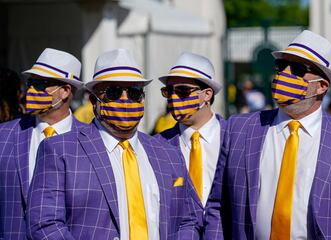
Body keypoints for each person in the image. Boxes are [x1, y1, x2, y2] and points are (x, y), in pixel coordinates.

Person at [27, 49, 200, 239]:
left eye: (134, 93)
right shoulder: (60, 150)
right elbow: (45, 224)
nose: (125, 100)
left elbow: (189, 219)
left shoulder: (168, 153)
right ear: (94, 100)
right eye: (114, 92)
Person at [213, 30, 331, 239]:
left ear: (322, 86)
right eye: (281, 67)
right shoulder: (239, 129)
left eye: (298, 69)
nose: (284, 73)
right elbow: (217, 205)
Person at [0, 48, 85, 239]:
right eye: (30, 83)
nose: (30, 91)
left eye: (39, 85)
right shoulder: (4, 136)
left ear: (64, 91)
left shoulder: (91, 141)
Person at [156, 52, 226, 239]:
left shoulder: (234, 137)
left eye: (183, 91)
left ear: (207, 94)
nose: (173, 98)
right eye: (168, 91)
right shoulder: (157, 145)